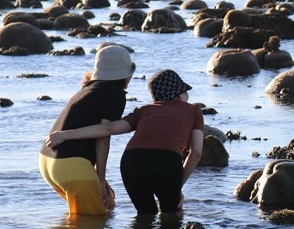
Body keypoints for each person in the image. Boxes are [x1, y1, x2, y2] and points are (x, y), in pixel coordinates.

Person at [46, 69, 204, 216]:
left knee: (145, 215)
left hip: (132, 163)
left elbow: (108, 129)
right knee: (172, 216)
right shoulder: (194, 110)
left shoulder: (143, 110)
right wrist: (177, 186)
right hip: (166, 162)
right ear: (179, 94)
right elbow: (196, 152)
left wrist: (65, 135)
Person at [40, 45, 135, 215]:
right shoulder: (116, 94)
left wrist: (99, 177)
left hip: (48, 161)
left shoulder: (87, 90)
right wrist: (101, 178)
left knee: (105, 207)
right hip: (72, 165)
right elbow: (104, 135)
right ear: (126, 74)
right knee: (92, 226)